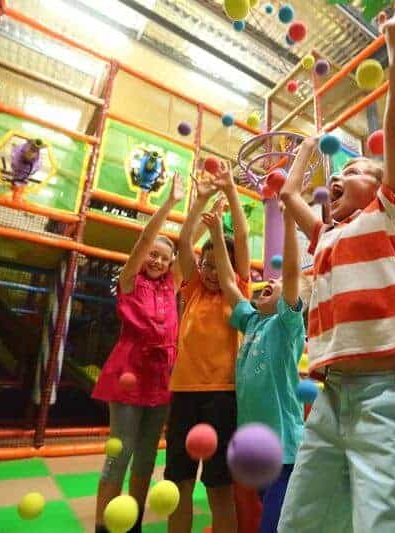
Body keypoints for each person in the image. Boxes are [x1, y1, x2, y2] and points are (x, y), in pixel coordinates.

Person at [276, 2, 395, 531]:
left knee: (389, 523)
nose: (341, 176)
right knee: (301, 521)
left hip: (390, 394)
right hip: (331, 400)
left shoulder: (388, 215)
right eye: (341, 171)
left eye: (353, 171)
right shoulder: (325, 235)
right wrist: (306, 150)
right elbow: (286, 192)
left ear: (379, 188)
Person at [201, 205, 305, 533]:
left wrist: (289, 222)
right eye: (264, 284)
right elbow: (230, 283)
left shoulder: (287, 326)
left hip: (284, 449)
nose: (267, 284)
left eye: (274, 285)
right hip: (254, 450)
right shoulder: (252, 321)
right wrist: (218, 233)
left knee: (272, 525)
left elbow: (289, 275)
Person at [92, 173, 184, 533]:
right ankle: (104, 524)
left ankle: (131, 524)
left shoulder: (171, 286)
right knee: (120, 453)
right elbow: (146, 240)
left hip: (161, 379)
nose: (158, 261)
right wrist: (170, 204)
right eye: (154, 256)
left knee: (146, 458)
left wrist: (204, 203)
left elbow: (188, 246)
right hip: (128, 375)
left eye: (165, 257)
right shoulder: (132, 280)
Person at [166, 161, 251, 533]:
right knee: (177, 485)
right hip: (183, 393)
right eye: (206, 266)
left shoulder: (237, 292)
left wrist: (230, 192)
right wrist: (199, 202)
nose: (212, 272)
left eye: (219, 266)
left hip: (222, 396)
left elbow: (242, 241)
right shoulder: (194, 290)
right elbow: (184, 243)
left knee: (218, 487)